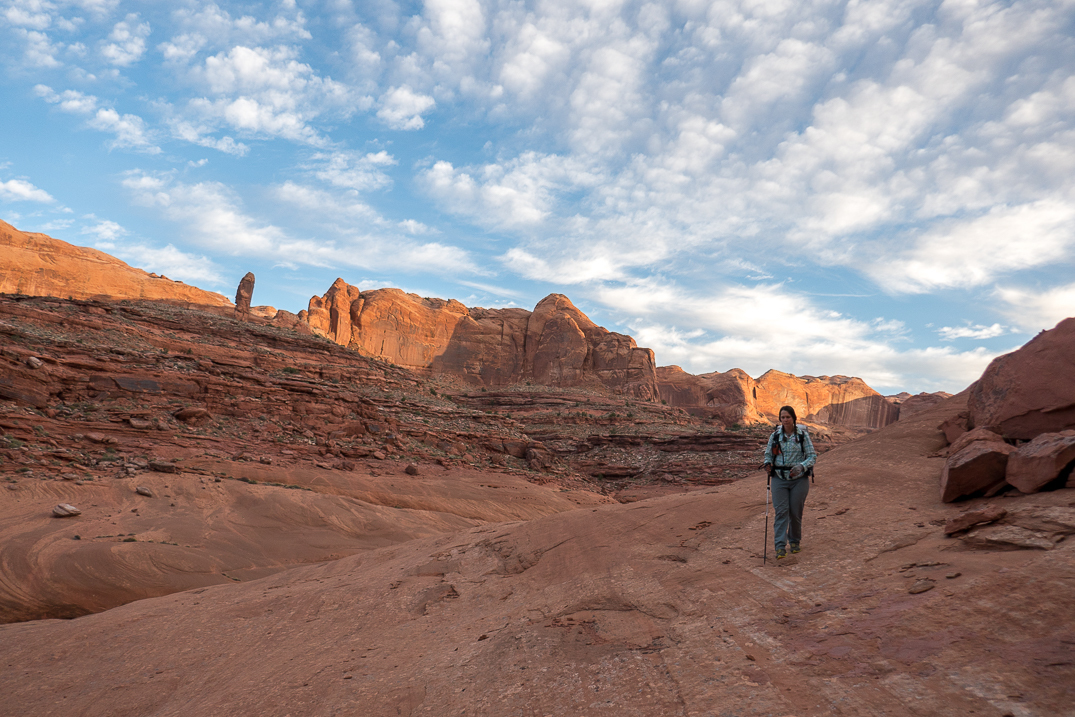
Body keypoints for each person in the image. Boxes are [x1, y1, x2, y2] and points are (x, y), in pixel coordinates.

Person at [763, 405, 816, 559]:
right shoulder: (775, 436)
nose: (785, 420)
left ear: (793, 418)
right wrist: (767, 464)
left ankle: (794, 541)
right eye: (783, 417)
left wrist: (801, 467)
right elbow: (768, 454)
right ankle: (780, 546)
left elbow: (812, 456)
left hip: (799, 480)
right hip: (779, 478)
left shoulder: (802, 436)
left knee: (795, 512)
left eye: (788, 417)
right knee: (781, 512)